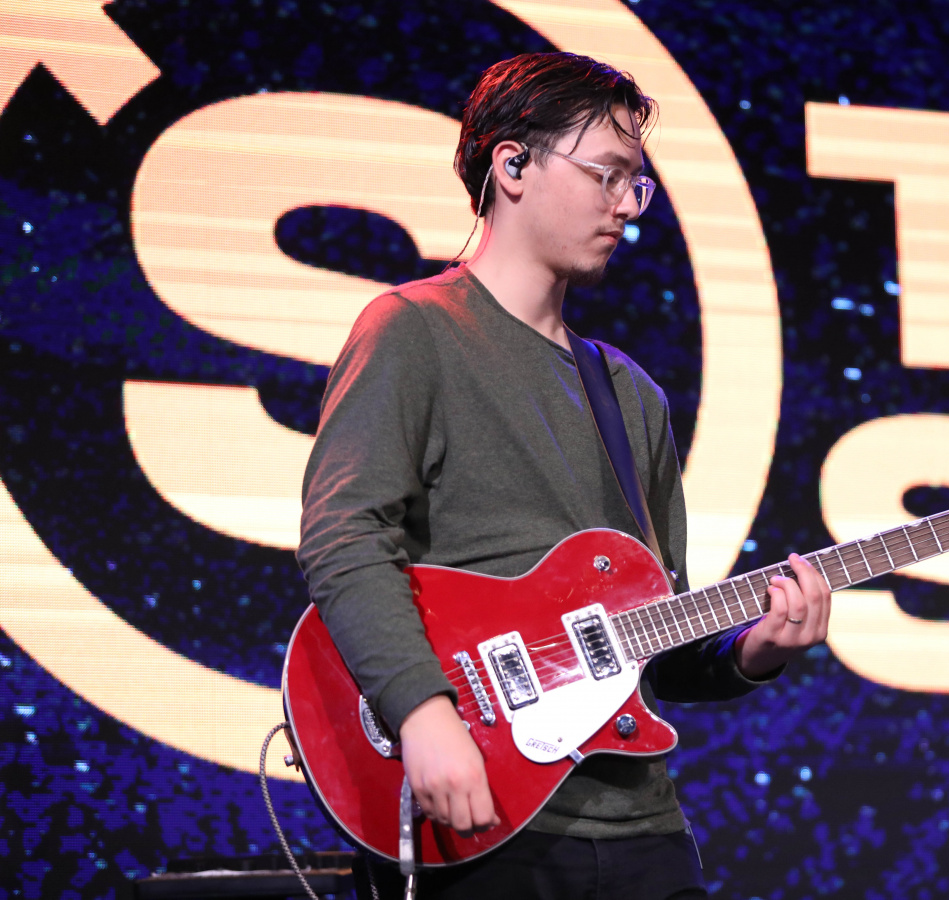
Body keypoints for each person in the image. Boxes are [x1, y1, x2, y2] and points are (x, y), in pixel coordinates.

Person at [296, 52, 832, 899]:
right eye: (606, 175)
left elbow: (658, 640)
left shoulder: (632, 396)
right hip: (484, 817)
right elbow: (343, 537)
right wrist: (424, 713)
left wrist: (755, 651)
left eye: (636, 185)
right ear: (512, 166)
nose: (627, 206)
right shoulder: (412, 330)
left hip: (643, 829)